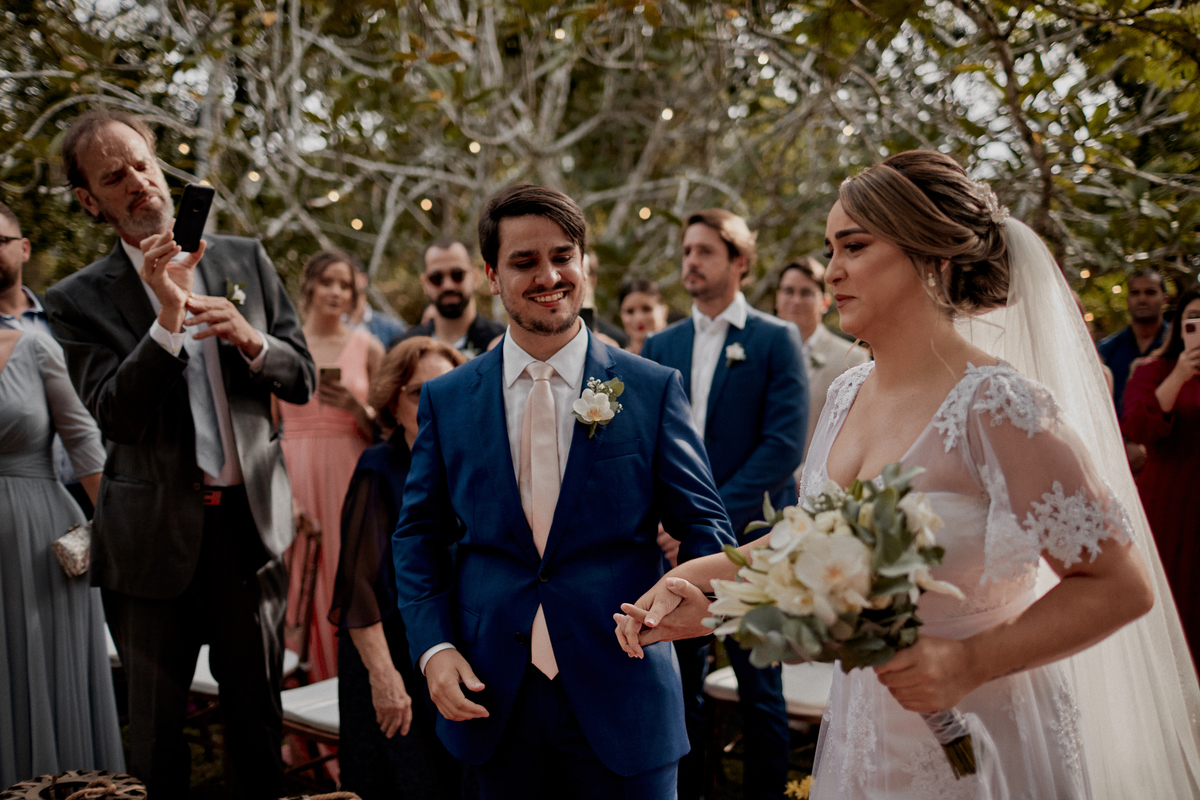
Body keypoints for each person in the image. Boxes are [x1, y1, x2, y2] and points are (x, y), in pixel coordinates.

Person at [617, 151, 1200, 799]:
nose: (831, 270)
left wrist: (971, 659)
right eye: (830, 248)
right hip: (867, 739)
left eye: (854, 246)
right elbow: (809, 545)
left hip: (987, 749)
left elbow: (1121, 586)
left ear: (934, 257)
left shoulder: (998, 405)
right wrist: (704, 593)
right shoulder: (845, 393)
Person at [391, 184, 735, 800]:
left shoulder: (651, 388)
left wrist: (693, 601)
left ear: (584, 265)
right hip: (492, 697)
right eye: (525, 262)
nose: (548, 275)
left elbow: (706, 524)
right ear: (492, 276)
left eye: (563, 256)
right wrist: (434, 649)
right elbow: (418, 534)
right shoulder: (448, 399)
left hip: (625, 690)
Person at [45, 109, 316, 799]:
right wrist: (168, 320)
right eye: (115, 177)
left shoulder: (244, 257)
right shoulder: (75, 301)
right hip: (148, 548)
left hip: (247, 537)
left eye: (142, 164)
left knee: (258, 726)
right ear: (89, 200)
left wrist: (252, 339)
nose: (138, 183)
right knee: (158, 738)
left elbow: (303, 376)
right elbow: (115, 415)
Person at [641, 208, 807, 800]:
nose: (691, 261)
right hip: (676, 549)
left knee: (760, 687)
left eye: (705, 251)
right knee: (677, 688)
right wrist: (670, 521)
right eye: (686, 250)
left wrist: (705, 517)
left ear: (740, 261)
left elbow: (782, 447)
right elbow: (650, 447)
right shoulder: (661, 344)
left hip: (749, 547)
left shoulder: (775, 338)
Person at [330, 336, 468, 800]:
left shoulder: (473, 464)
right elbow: (357, 587)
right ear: (393, 399)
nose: (432, 402)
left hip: (455, 651)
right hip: (390, 657)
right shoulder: (378, 466)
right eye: (417, 392)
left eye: (445, 387)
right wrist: (385, 680)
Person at [0, 328, 124, 787]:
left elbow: (83, 443)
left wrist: (114, 536)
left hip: (39, 541)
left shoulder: (33, 346)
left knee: (49, 678)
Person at [278, 250, 383, 683]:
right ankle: (301, 733)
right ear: (309, 288)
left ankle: (353, 705)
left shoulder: (369, 347)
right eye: (328, 282)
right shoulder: (284, 348)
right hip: (294, 481)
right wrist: (282, 497)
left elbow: (391, 430)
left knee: (352, 579)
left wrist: (358, 410)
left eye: (346, 286)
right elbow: (265, 433)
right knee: (298, 587)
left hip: (350, 475)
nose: (337, 292)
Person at [1121, 281, 1200, 673]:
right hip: (1168, 503)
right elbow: (1136, 425)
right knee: (1172, 605)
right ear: (1179, 324)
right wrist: (1180, 374)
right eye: (1193, 320)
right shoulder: (1153, 370)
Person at [0, 201, 94, 515]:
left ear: (24, 248)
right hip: (21, 493)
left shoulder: (69, 318)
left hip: (87, 484)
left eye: (0, 241)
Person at [775, 257, 869, 457]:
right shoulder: (760, 352)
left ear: (825, 302)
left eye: (806, 293)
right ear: (778, 298)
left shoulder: (852, 359)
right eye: (788, 291)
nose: (796, 300)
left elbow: (854, 435)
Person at [1098, 269, 1169, 472]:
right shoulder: (1106, 349)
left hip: (1166, 456)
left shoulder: (1178, 346)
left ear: (1165, 298)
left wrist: (1145, 446)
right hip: (1116, 459)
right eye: (1135, 293)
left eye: (1150, 292)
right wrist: (1123, 444)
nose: (1142, 299)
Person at [389, 239, 505, 357]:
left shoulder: (503, 343)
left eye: (457, 275)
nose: (448, 285)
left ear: (475, 277)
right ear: (424, 283)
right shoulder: (403, 348)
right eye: (436, 277)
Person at [348, 260, 408, 347]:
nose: (348, 280)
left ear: (364, 279)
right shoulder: (326, 328)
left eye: (352, 275)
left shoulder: (393, 328)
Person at [618, 278, 668, 356]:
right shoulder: (616, 361)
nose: (639, 318)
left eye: (646, 309)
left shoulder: (680, 356)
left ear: (664, 311)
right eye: (630, 311)